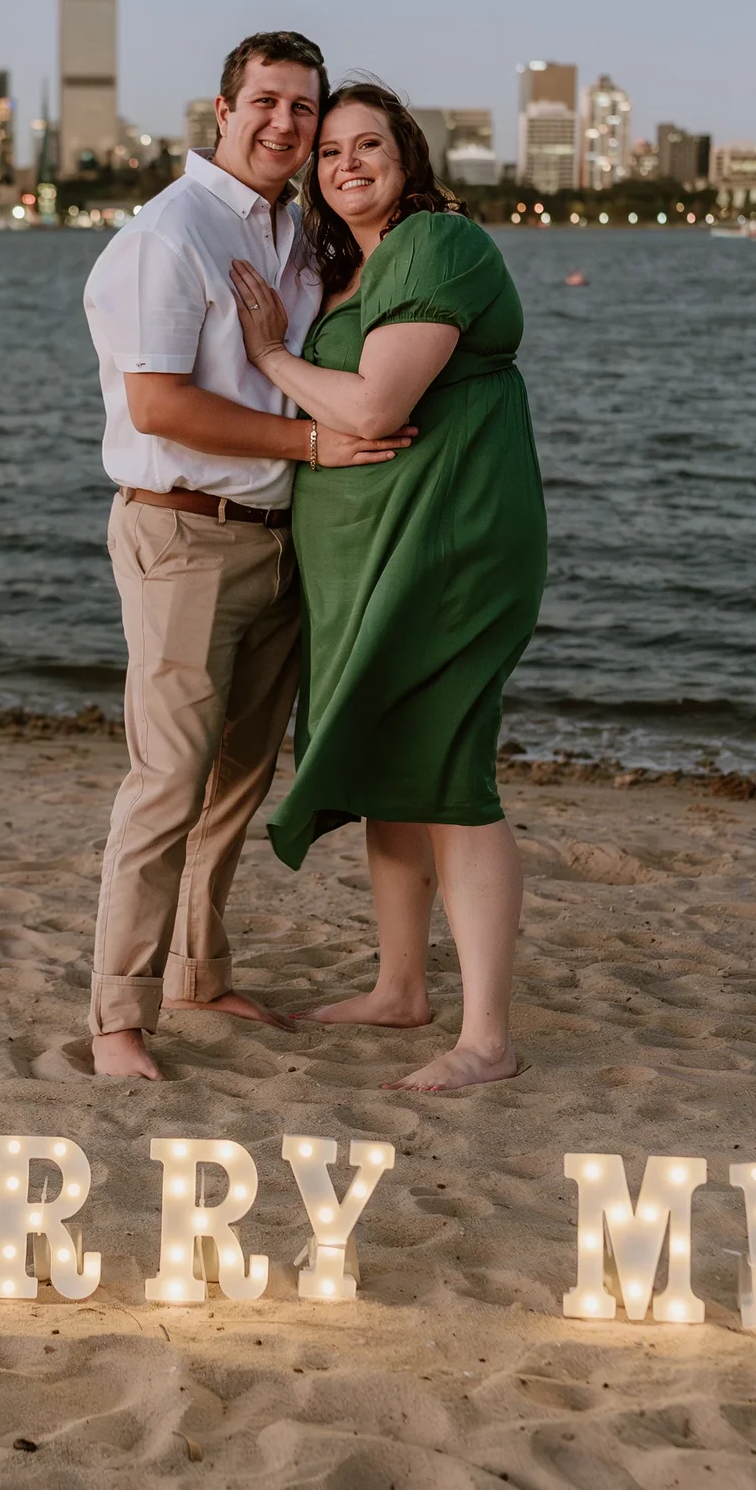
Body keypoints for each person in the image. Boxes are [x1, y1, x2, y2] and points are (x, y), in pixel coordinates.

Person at [81, 34, 417, 1082]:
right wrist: (310, 442)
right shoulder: (168, 233)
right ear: (222, 109)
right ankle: (116, 1017)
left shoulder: (289, 231)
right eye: (265, 102)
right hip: (182, 532)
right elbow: (158, 402)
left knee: (236, 781)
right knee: (166, 780)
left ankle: (197, 969)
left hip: (277, 543)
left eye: (302, 107)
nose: (285, 123)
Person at [227, 82, 547, 1092]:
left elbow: (371, 408)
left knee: (448, 766)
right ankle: (400, 985)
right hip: (376, 552)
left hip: (446, 547)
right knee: (392, 763)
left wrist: (271, 352)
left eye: (369, 144)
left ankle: (487, 1036)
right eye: (327, 153)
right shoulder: (355, 270)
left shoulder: (435, 245)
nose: (346, 162)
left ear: (408, 158)